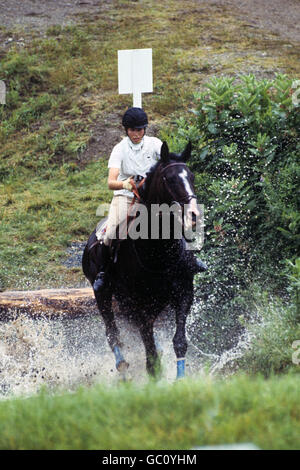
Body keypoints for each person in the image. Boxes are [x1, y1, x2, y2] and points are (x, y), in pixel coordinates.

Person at [93, 107, 207, 293]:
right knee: (111, 231)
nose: (136, 134)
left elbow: (167, 161)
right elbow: (111, 182)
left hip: (151, 197)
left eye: (139, 130)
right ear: (126, 130)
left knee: (182, 220)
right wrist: (126, 184)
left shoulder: (154, 144)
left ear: (144, 129)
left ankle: (191, 260)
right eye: (132, 130)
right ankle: (104, 273)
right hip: (126, 196)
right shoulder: (119, 150)